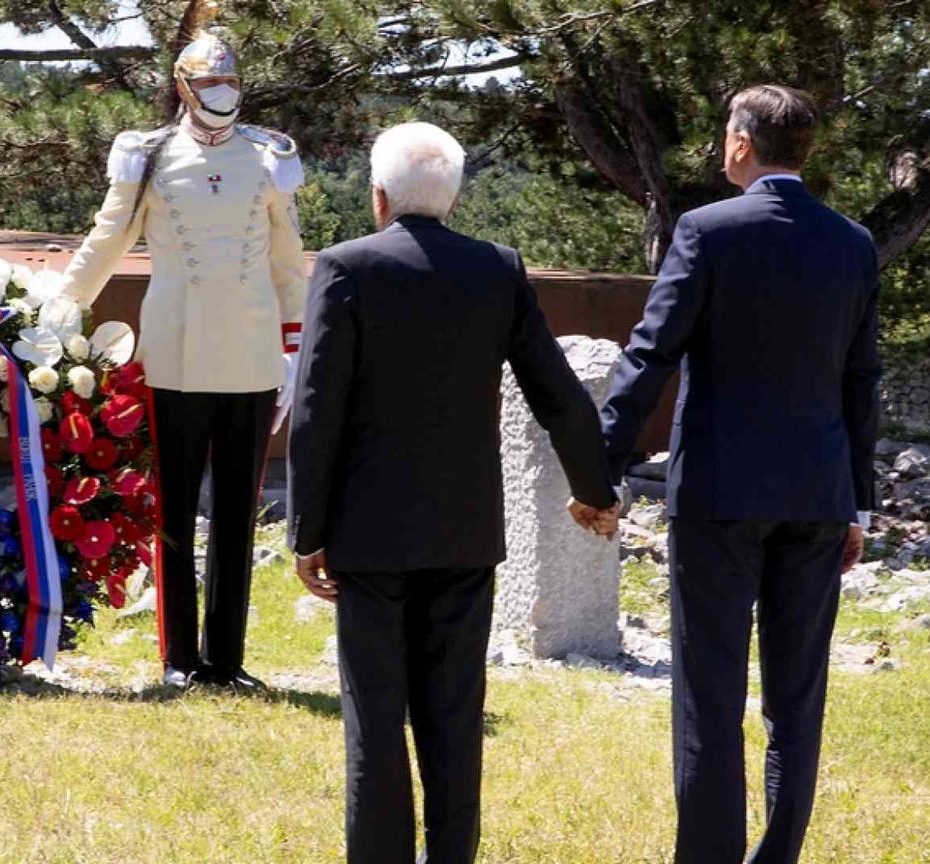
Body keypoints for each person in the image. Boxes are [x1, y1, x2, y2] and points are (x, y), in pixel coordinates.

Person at [288, 121, 618, 864]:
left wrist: (307, 530)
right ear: (455, 197)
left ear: (378, 196)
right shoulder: (497, 269)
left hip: (368, 533)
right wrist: (595, 489)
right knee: (454, 721)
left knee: (377, 723)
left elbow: (315, 408)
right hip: (464, 531)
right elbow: (558, 392)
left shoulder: (344, 267)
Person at [599, 85, 880, 864]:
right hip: (818, 494)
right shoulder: (852, 243)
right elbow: (862, 379)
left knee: (710, 697)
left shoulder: (706, 230)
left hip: (720, 492)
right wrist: (858, 504)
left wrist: (601, 467)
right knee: (798, 699)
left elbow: (651, 353)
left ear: (741, 144)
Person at [61, 25, 307, 690]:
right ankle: (178, 658)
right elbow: (106, 241)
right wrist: (57, 310)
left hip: (252, 356)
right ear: (182, 88)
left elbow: (289, 263)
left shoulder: (269, 156)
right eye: (208, 82)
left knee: (237, 511)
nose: (221, 93)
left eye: (230, 81)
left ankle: (227, 660)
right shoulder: (146, 156)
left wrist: (294, 348)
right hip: (176, 354)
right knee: (171, 510)